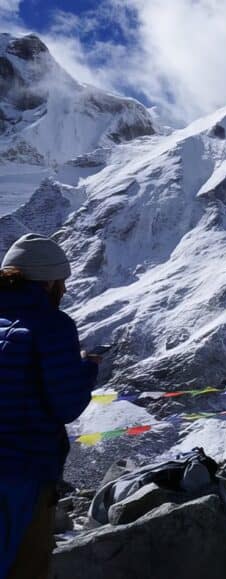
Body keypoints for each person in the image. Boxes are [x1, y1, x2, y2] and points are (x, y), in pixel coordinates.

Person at [0, 234, 99, 579]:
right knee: (26, 566)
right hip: (25, 470)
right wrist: (87, 368)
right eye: (62, 282)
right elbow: (66, 404)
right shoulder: (52, 325)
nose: (65, 290)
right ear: (50, 282)